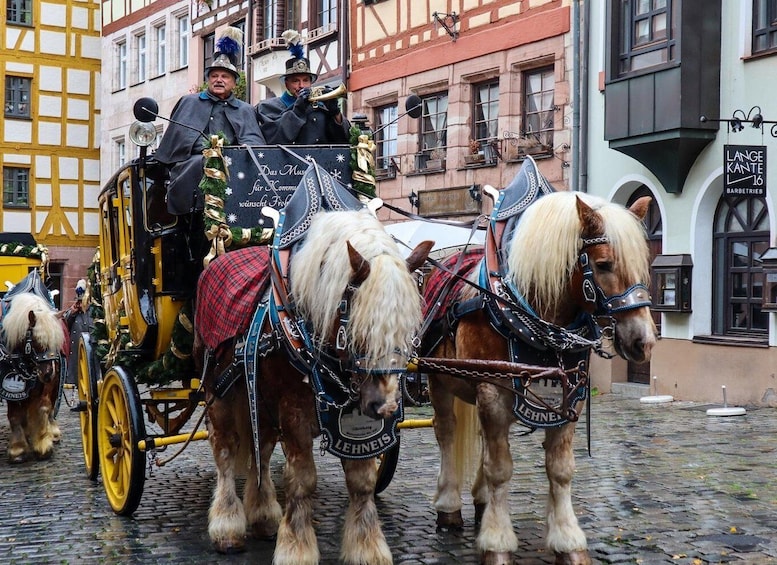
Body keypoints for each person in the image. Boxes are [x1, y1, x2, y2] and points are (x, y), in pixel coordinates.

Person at [153, 28, 265, 215]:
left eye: (224, 76)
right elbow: (174, 146)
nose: (219, 80)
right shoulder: (189, 102)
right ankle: (193, 217)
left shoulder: (245, 110)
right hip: (192, 165)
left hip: (233, 167)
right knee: (199, 164)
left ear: (234, 83)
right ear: (208, 80)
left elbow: (255, 145)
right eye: (214, 76)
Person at [256, 29, 350, 145]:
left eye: (305, 80)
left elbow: (344, 140)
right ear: (286, 84)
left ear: (311, 82)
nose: (301, 86)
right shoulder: (269, 107)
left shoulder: (321, 107)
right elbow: (274, 138)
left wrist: (335, 113)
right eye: (295, 81)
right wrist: (298, 110)